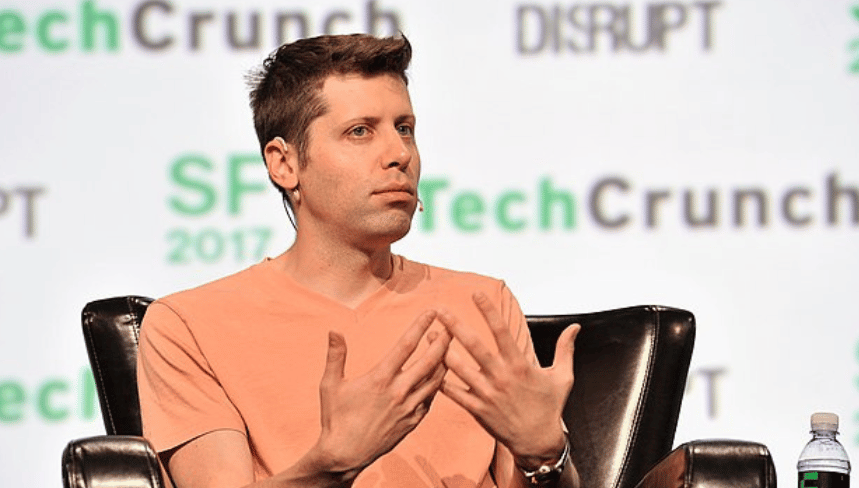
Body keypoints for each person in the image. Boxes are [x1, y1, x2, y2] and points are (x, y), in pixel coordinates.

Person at [137, 33, 581, 488]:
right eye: (360, 132)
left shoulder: (482, 304)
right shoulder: (189, 325)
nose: (400, 155)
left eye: (404, 128)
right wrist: (332, 464)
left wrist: (546, 455)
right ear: (284, 164)